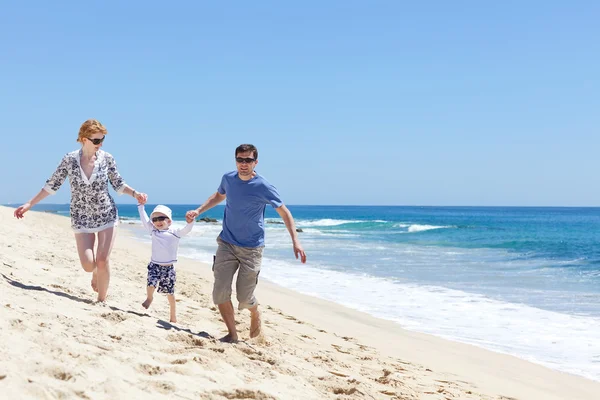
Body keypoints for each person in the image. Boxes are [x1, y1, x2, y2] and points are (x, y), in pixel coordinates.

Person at [13, 119, 147, 302]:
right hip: (81, 217)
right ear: (84, 139)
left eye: (102, 140)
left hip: (106, 214)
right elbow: (52, 185)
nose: (100, 144)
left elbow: (118, 184)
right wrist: (29, 204)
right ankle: (95, 273)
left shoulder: (107, 158)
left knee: (102, 260)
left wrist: (135, 193)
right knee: (87, 264)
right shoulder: (69, 160)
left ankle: (102, 300)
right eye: (96, 140)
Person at [186, 144, 307, 342]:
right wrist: (198, 211)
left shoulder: (263, 186)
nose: (243, 164)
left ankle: (255, 311)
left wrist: (296, 241)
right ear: (235, 161)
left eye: (248, 160)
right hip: (226, 242)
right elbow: (219, 195)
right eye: (240, 160)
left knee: (244, 298)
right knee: (220, 293)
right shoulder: (228, 179)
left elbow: (285, 213)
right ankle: (233, 334)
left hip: (252, 248)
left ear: (255, 162)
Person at [137, 203, 194, 323]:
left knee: (169, 293)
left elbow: (186, 230)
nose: (157, 222)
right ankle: (149, 298)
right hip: (154, 264)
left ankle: (173, 316)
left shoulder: (175, 232)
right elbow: (144, 219)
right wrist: (141, 206)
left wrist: (190, 222)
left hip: (168, 268)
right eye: (155, 219)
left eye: (161, 218)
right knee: (150, 284)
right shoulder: (153, 231)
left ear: (169, 221)